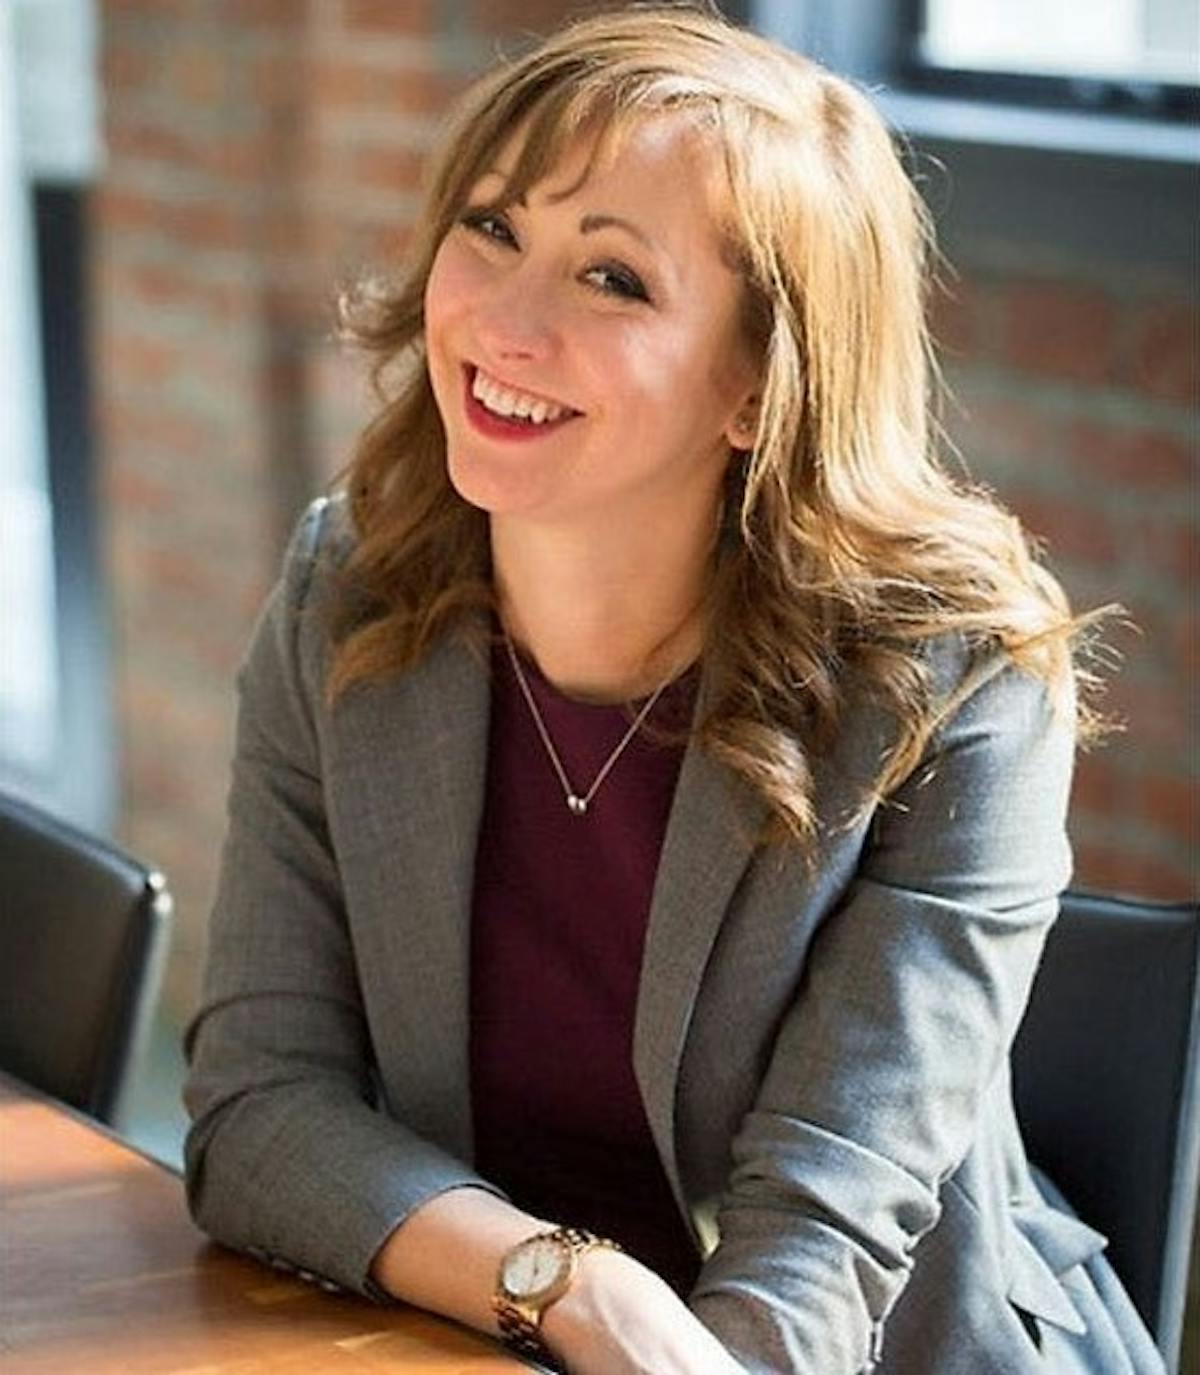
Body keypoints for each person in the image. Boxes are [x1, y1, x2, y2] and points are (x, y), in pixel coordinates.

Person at [182, 6, 1164, 1373]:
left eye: (614, 281)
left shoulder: (955, 681)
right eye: (493, 228)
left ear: (759, 387)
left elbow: (821, 1232)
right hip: (492, 1342)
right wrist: (576, 1291)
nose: (505, 323)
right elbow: (259, 1109)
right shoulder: (348, 586)